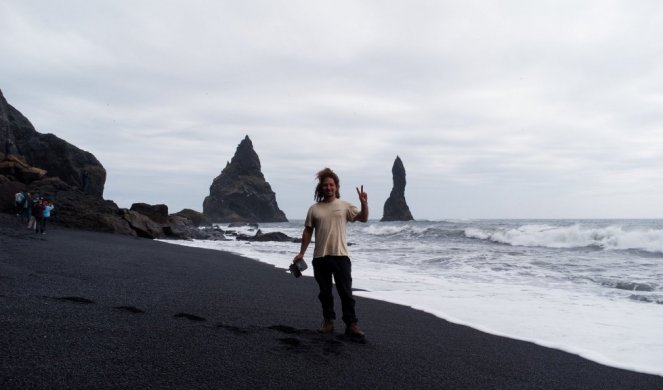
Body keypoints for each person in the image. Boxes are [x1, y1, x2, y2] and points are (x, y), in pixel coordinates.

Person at [293, 167, 369, 337]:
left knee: (346, 293)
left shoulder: (345, 206)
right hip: (320, 257)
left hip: (341, 256)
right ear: (321, 188)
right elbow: (307, 231)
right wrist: (301, 253)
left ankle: (351, 325)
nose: (328, 188)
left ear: (336, 187)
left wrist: (364, 203)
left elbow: (363, 219)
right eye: (325, 185)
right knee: (325, 293)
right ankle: (328, 322)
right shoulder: (314, 209)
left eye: (331, 185)